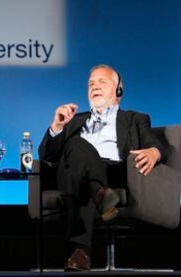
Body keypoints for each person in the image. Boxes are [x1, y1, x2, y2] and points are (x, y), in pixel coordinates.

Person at [38, 64, 167, 271]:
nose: (94, 87)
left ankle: (81, 251)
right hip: (73, 171)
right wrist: (57, 127)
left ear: (118, 91)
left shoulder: (135, 119)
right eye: (91, 83)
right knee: (76, 145)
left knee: (80, 176)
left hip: (114, 172)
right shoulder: (74, 121)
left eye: (102, 82)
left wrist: (154, 152)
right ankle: (100, 194)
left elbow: (158, 145)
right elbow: (47, 156)